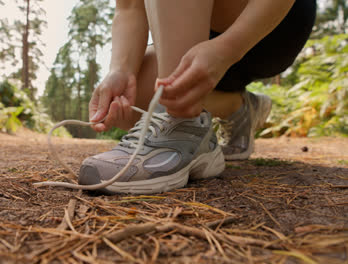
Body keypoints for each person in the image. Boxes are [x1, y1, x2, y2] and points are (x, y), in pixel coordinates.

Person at [78, 0, 316, 194]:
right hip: (188, 32)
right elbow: (129, 7)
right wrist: (121, 70)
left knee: (159, 101)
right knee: (131, 98)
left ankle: (181, 122)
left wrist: (228, 49)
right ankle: (240, 108)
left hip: (269, 20)